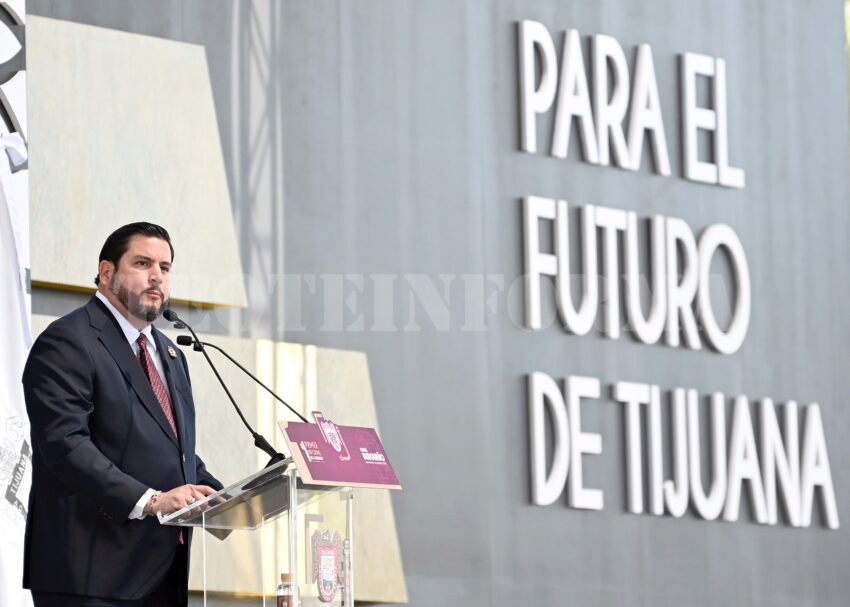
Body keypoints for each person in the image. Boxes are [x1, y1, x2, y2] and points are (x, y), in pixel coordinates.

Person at [22, 222, 223, 607]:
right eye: (143, 263)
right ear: (106, 272)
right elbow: (65, 446)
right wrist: (151, 501)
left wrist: (219, 495)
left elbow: (172, 448)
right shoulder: (68, 341)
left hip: (160, 570)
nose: (156, 276)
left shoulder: (170, 353)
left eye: (165, 267)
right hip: (90, 574)